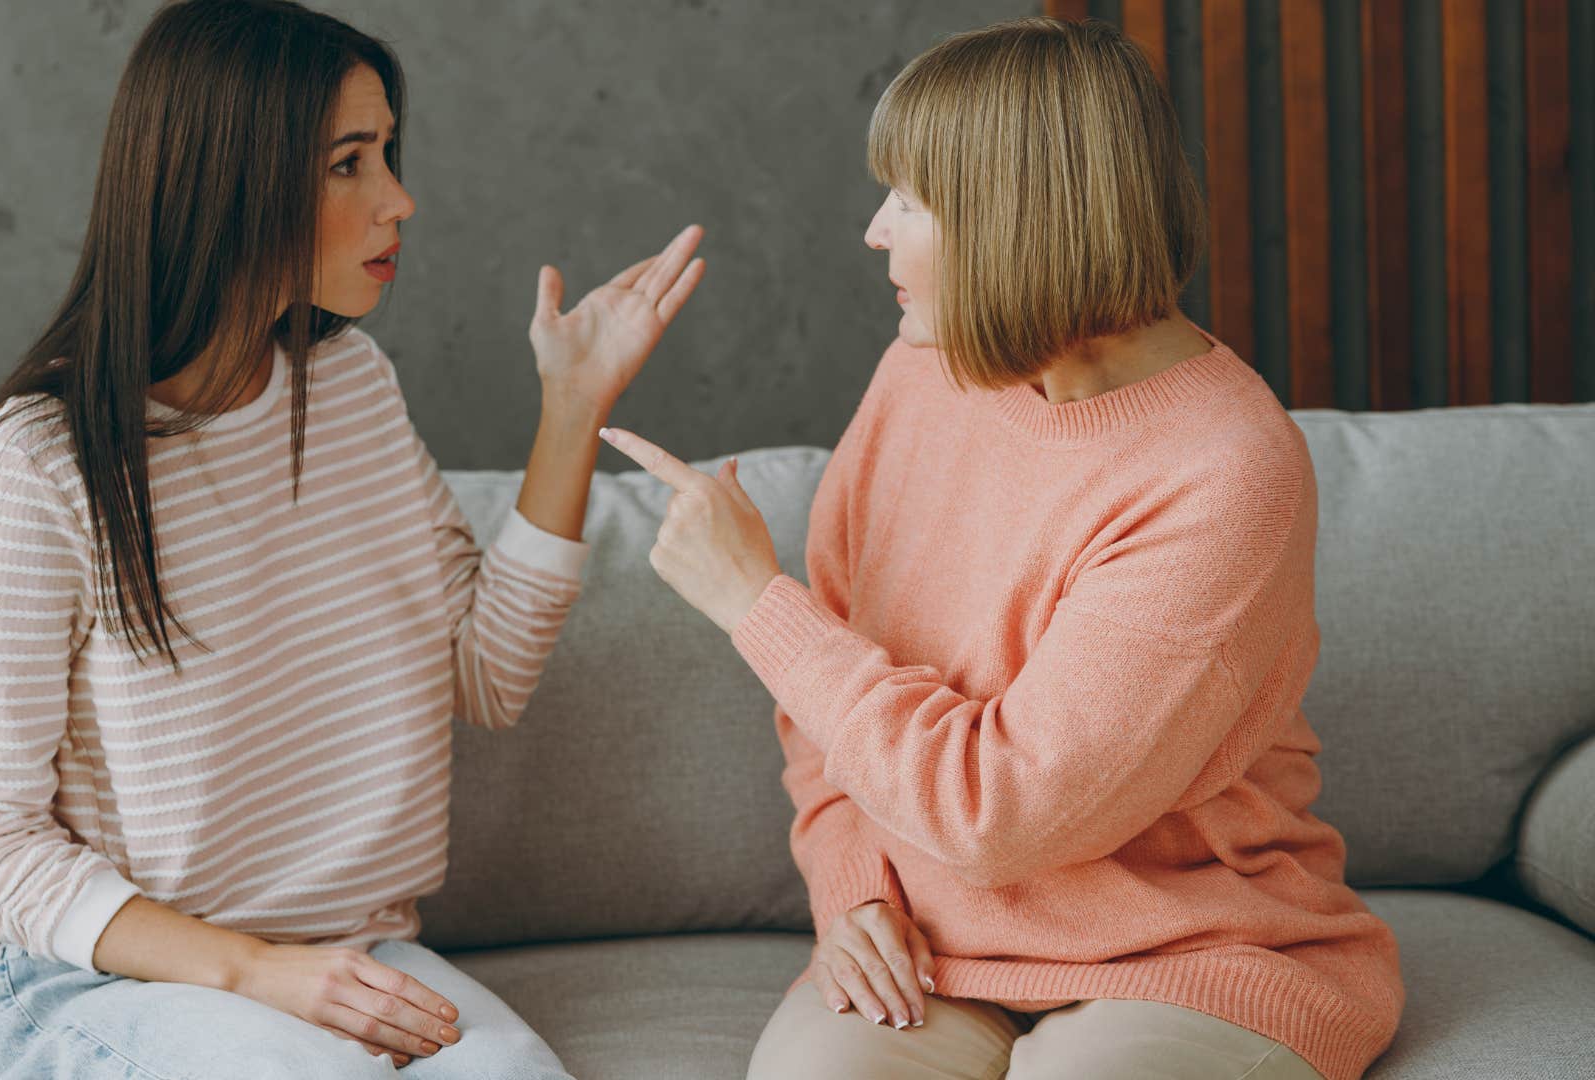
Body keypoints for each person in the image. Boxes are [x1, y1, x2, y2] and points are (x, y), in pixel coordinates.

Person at [600, 16, 1403, 1080]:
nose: (876, 233)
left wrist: (757, 602)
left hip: (1196, 948)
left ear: (1015, 215)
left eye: (909, 201)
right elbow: (824, 703)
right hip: (931, 953)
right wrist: (855, 893)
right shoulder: (921, 378)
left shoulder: (1226, 468)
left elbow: (1003, 814)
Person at [0, 2, 704, 1076]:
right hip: (105, 980)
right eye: (348, 164)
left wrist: (571, 412)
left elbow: (487, 672)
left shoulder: (348, 389)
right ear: (227, 179)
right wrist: (253, 971)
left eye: (387, 154)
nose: (399, 200)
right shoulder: (42, 465)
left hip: (353, 953)